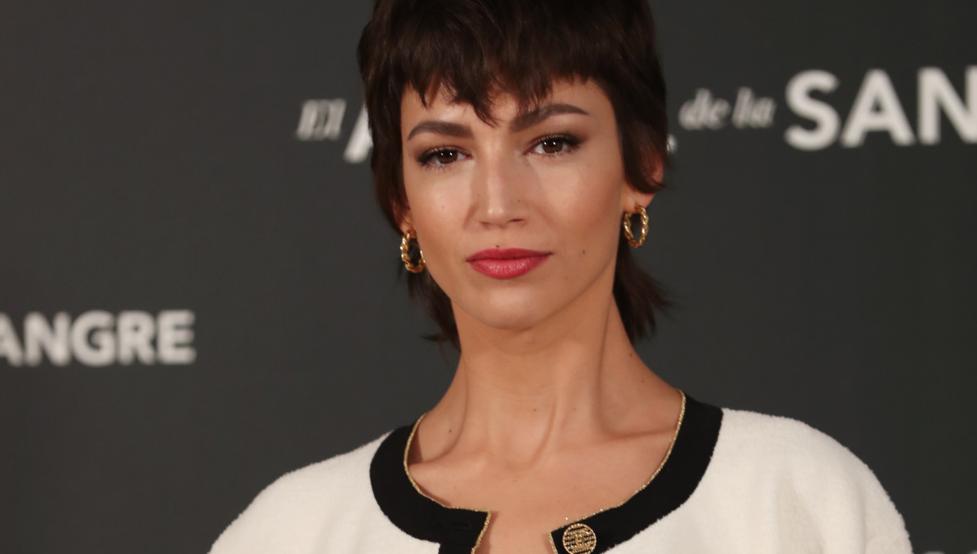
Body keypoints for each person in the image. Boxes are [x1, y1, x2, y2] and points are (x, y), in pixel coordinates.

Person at [209, 1, 913, 552]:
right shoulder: (290, 533)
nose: (497, 204)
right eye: (445, 154)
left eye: (551, 143)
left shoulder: (796, 500)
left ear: (641, 165)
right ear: (401, 201)